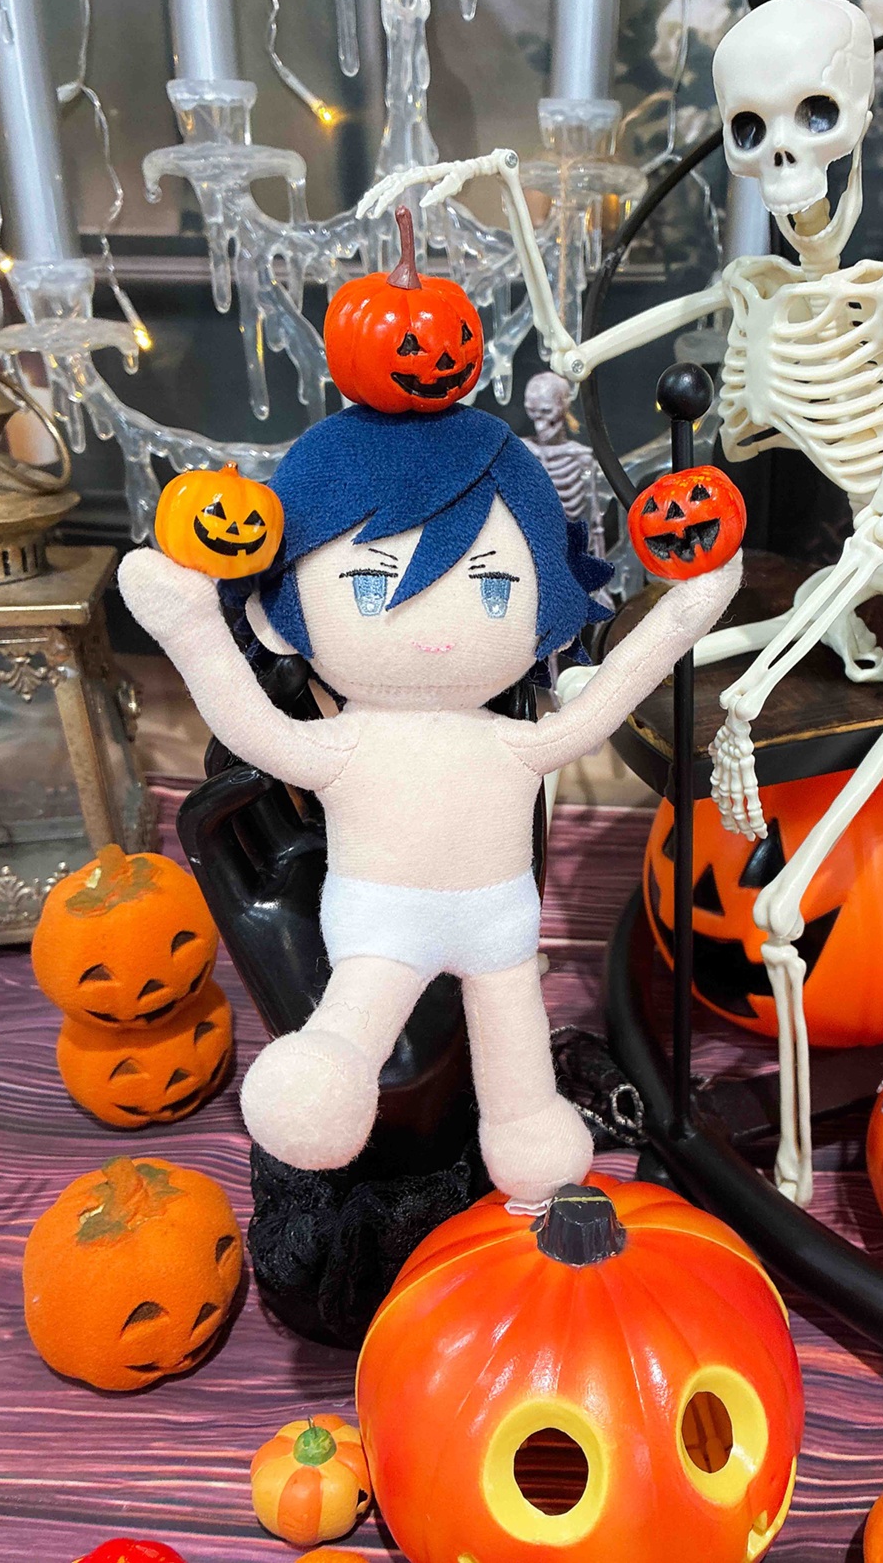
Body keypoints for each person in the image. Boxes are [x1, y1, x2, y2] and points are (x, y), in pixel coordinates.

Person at [121, 401, 740, 1206]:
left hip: (498, 934)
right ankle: (334, 1069)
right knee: (355, 1022)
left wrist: (685, 612)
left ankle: (524, 1124)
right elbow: (255, 730)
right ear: (283, 610)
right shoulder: (357, 742)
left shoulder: (501, 741)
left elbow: (610, 693)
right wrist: (191, 627)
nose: (435, 630)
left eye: (494, 590)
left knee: (515, 1050)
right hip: (384, 928)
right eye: (371, 587)